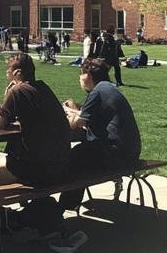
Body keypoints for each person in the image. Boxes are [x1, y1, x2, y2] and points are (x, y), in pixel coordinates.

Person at [0, 53, 80, 253]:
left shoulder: (18, 91)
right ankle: (26, 217)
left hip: (35, 168)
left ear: (16, 72)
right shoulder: (43, 87)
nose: (7, 74)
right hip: (58, 164)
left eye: (8, 71)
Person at [59, 58, 141, 210]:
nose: (79, 78)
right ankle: (70, 203)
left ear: (87, 76)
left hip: (115, 154)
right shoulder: (108, 88)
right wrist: (75, 111)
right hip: (130, 152)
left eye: (80, 74)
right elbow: (88, 116)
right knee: (82, 154)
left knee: (74, 157)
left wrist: (66, 114)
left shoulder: (97, 92)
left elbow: (76, 124)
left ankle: (65, 205)